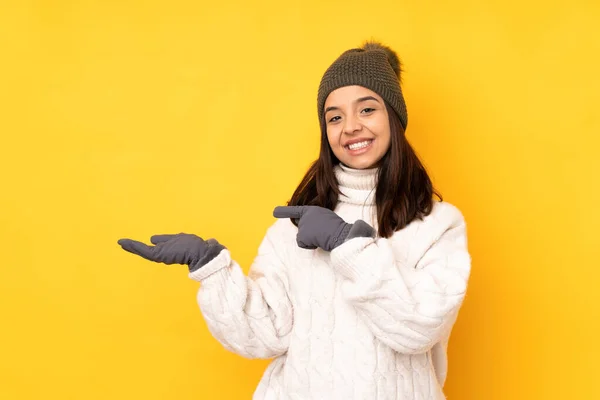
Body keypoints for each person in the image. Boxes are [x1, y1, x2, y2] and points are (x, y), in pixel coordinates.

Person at [118, 40, 471, 400]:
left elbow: (418, 329)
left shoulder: (438, 224)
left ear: (394, 118)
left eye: (367, 110)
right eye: (334, 117)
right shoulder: (296, 224)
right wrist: (210, 267)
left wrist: (347, 244)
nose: (350, 127)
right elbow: (263, 335)